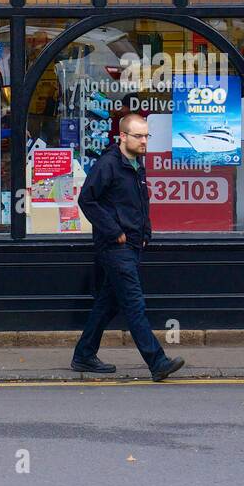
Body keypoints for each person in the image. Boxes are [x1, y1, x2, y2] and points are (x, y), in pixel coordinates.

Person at [71, 113, 185, 382]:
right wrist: (114, 231)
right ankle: (157, 362)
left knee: (108, 304)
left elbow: (139, 203)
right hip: (115, 247)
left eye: (147, 135)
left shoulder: (136, 164)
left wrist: (146, 232)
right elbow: (87, 200)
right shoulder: (108, 164)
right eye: (139, 136)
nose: (145, 141)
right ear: (122, 136)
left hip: (133, 244)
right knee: (134, 305)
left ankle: (84, 354)